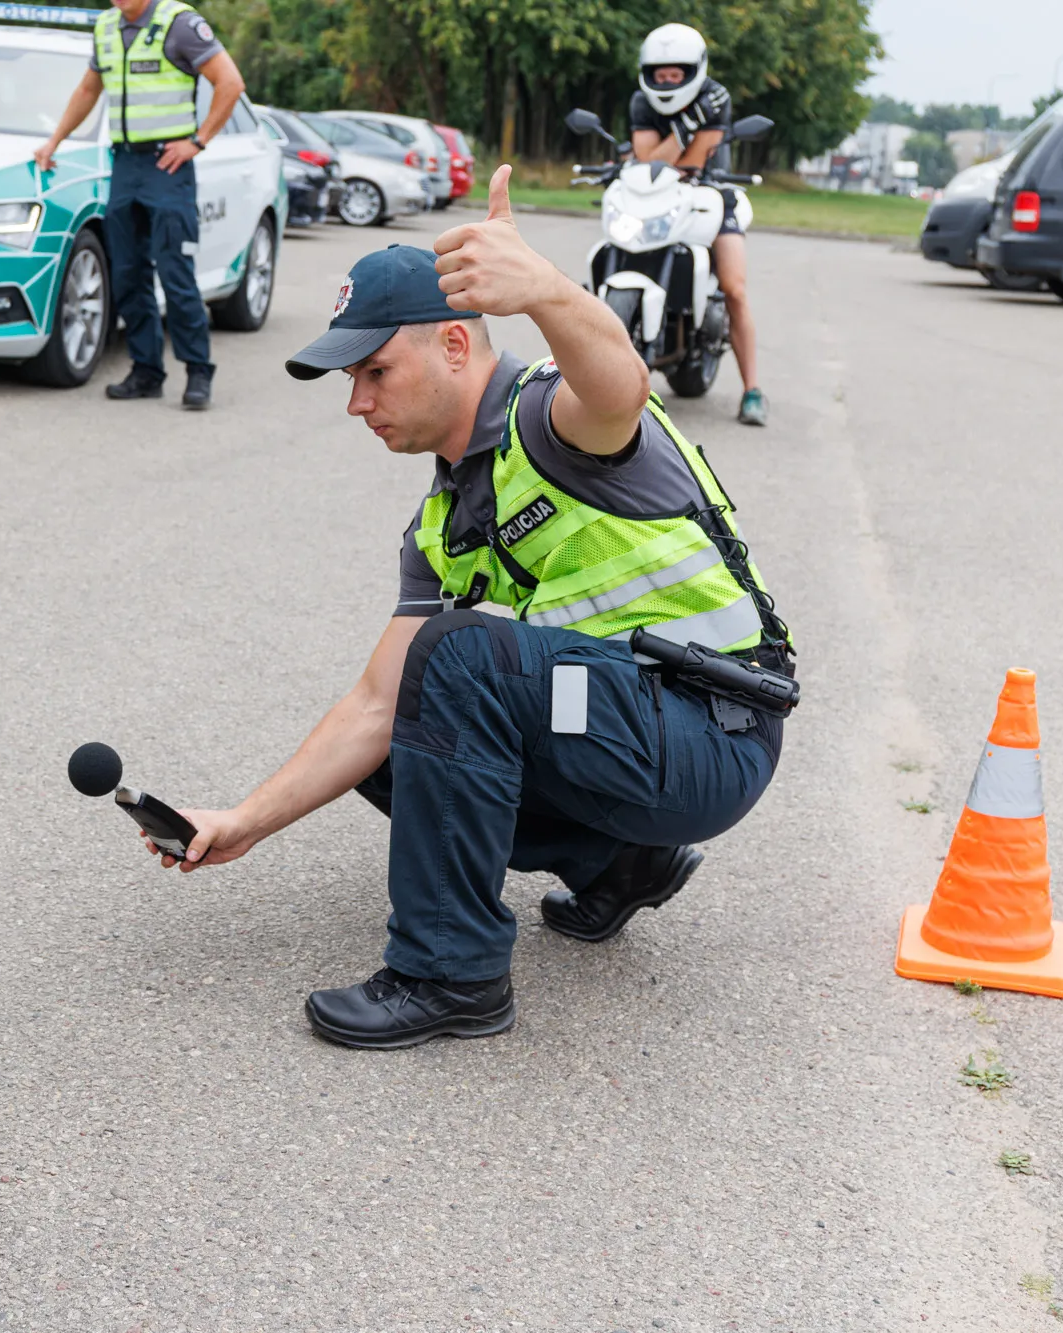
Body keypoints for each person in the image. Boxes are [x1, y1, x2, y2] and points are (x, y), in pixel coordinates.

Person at [139, 168, 794, 1049]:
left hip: (716, 730)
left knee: (451, 657)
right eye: (349, 378)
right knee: (401, 723)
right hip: (631, 732)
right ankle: (622, 862)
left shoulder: (550, 421)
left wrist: (548, 292)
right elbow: (372, 705)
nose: (357, 402)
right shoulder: (443, 522)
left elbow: (619, 390)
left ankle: (450, 972)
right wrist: (241, 821)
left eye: (375, 371)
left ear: (455, 346)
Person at [33, 0, 244, 411]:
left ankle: (198, 371)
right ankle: (146, 372)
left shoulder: (178, 24)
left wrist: (198, 141)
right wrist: (54, 139)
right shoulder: (107, 27)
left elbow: (230, 83)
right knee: (127, 274)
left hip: (168, 165)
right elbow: (88, 90)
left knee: (176, 274)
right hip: (125, 165)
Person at [626, 22, 766, 428]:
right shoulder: (641, 101)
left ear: (694, 71)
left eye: (676, 73)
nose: (667, 81)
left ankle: (752, 391)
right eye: (660, 74)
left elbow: (692, 162)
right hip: (658, 195)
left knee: (735, 288)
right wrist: (686, 127)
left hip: (711, 196)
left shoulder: (714, 97)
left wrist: (677, 141)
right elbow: (652, 161)